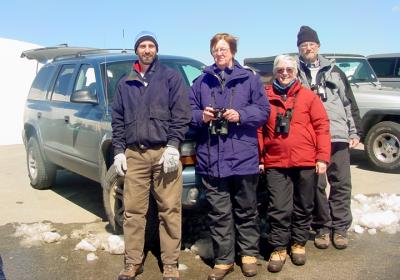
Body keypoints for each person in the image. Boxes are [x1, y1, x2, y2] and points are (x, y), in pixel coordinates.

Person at [111, 30, 191, 280]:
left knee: (170, 210)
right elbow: (118, 120)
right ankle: (133, 262)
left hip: (163, 154)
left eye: (151, 46)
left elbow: (182, 114)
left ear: (156, 50)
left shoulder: (170, 78)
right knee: (133, 211)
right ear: (136, 50)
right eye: (143, 46)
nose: (147, 50)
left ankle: (170, 263)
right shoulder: (125, 83)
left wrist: (173, 146)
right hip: (135, 155)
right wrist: (119, 152)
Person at [189, 33, 270, 280]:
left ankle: (248, 256)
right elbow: (187, 113)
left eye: (224, 49)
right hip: (211, 158)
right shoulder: (201, 81)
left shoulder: (249, 79)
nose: (219, 53)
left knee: (246, 209)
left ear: (233, 51)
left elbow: (264, 110)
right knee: (219, 212)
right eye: (215, 49)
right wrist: (201, 116)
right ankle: (224, 259)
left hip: (242, 156)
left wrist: (241, 115)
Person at [258, 54, 331, 273]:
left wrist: (322, 157)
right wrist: (260, 158)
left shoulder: (308, 97)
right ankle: (279, 247)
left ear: (296, 72)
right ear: (274, 72)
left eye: (289, 69)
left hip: (305, 160)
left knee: (304, 205)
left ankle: (298, 243)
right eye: (280, 70)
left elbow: (322, 126)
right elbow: (258, 130)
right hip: (275, 162)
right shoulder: (264, 97)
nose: (285, 73)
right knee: (278, 207)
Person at [295, 26, 362, 250]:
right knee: (316, 185)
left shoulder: (335, 72)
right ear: (299, 49)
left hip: (337, 136)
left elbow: (348, 103)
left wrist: (355, 131)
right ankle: (322, 227)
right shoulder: (294, 73)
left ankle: (340, 228)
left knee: (341, 183)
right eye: (303, 45)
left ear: (318, 46)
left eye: (311, 44)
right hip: (311, 140)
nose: (308, 48)